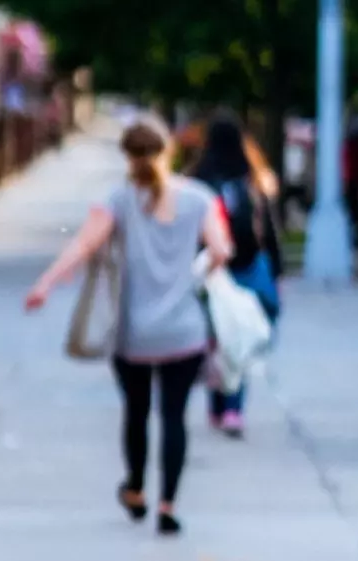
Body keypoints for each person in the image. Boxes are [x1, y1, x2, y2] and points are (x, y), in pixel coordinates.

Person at [25, 117, 231, 535]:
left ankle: (136, 490)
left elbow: (83, 245)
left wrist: (45, 284)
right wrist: (198, 274)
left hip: (133, 334)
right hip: (184, 332)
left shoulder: (117, 201)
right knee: (174, 417)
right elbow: (222, 249)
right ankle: (168, 505)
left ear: (128, 157)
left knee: (136, 414)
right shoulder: (198, 198)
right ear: (167, 150)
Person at [192, 112, 284, 438]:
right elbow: (269, 229)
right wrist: (277, 269)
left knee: (218, 336)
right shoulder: (252, 177)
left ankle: (218, 403)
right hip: (247, 264)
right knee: (239, 336)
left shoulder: (199, 177)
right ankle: (233, 407)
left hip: (212, 268)